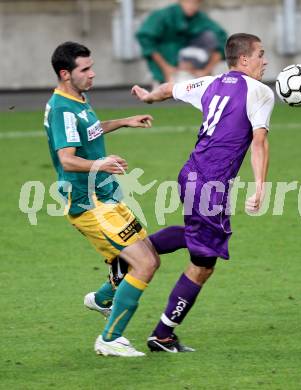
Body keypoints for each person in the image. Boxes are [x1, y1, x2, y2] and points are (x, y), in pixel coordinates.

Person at [131, 33, 274, 352]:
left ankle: (126, 255)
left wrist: (148, 98)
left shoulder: (210, 82)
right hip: (212, 185)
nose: (265, 61)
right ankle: (162, 334)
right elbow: (259, 142)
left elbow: (169, 89)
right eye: (261, 54)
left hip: (190, 174)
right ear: (245, 59)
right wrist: (260, 187)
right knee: (203, 263)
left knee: (197, 236)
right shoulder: (261, 93)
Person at [44, 41, 161, 357]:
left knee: (147, 254)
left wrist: (123, 121)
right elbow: (67, 158)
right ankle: (109, 339)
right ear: (65, 74)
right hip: (89, 203)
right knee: (145, 263)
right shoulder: (62, 110)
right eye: (85, 69)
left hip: (107, 195)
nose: (92, 74)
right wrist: (100, 163)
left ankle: (100, 298)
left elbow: (91, 132)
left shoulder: (79, 99)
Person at [136, 0, 227, 84]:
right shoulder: (162, 16)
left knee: (209, 37)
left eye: (196, 3)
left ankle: (189, 76)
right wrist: (166, 68)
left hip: (191, 72)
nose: (192, 6)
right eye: (188, 1)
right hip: (164, 67)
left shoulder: (200, 18)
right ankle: (175, 78)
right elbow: (146, 39)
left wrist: (207, 70)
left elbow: (221, 39)